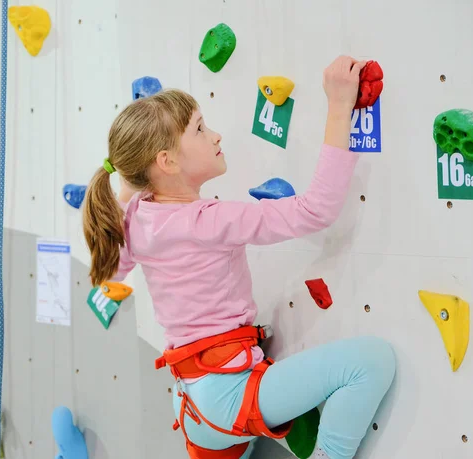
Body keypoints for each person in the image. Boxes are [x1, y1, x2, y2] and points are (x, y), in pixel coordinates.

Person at [82, 55, 396, 459]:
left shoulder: (138, 218)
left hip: (193, 406)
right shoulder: (209, 220)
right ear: (167, 162)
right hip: (229, 390)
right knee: (371, 360)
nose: (215, 136)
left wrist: (130, 185)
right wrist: (339, 108)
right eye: (199, 129)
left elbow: (113, 267)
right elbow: (315, 209)